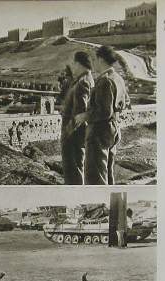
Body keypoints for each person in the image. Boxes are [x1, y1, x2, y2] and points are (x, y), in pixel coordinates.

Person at [75, 45, 130, 185]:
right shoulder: (118, 78)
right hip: (114, 129)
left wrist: (84, 116)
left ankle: (99, 203)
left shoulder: (105, 80)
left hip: (100, 131)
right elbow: (126, 101)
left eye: (95, 59)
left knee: (96, 176)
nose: (94, 63)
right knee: (108, 173)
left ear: (100, 59)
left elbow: (104, 112)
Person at [60, 51, 94, 185]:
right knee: (76, 168)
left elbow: (80, 113)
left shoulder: (83, 82)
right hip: (77, 133)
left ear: (80, 63)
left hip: (73, 134)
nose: (73, 66)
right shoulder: (86, 79)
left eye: (74, 63)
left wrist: (67, 132)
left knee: (72, 170)